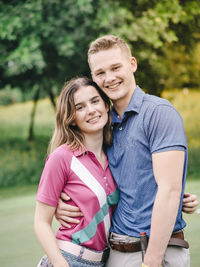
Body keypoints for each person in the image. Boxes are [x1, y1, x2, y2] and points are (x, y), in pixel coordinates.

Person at [55, 35, 199, 267]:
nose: (109, 78)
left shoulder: (159, 113)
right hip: (116, 253)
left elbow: (169, 190)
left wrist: (150, 262)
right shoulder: (102, 125)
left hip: (158, 253)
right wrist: (60, 204)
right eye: (101, 73)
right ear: (93, 78)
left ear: (132, 64)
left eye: (116, 67)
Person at [34, 77, 120, 267]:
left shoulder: (115, 154)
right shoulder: (62, 157)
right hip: (69, 259)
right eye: (80, 107)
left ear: (106, 105)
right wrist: (60, 264)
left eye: (95, 101)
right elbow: (41, 222)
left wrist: (179, 199)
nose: (91, 110)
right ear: (71, 119)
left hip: (106, 261)